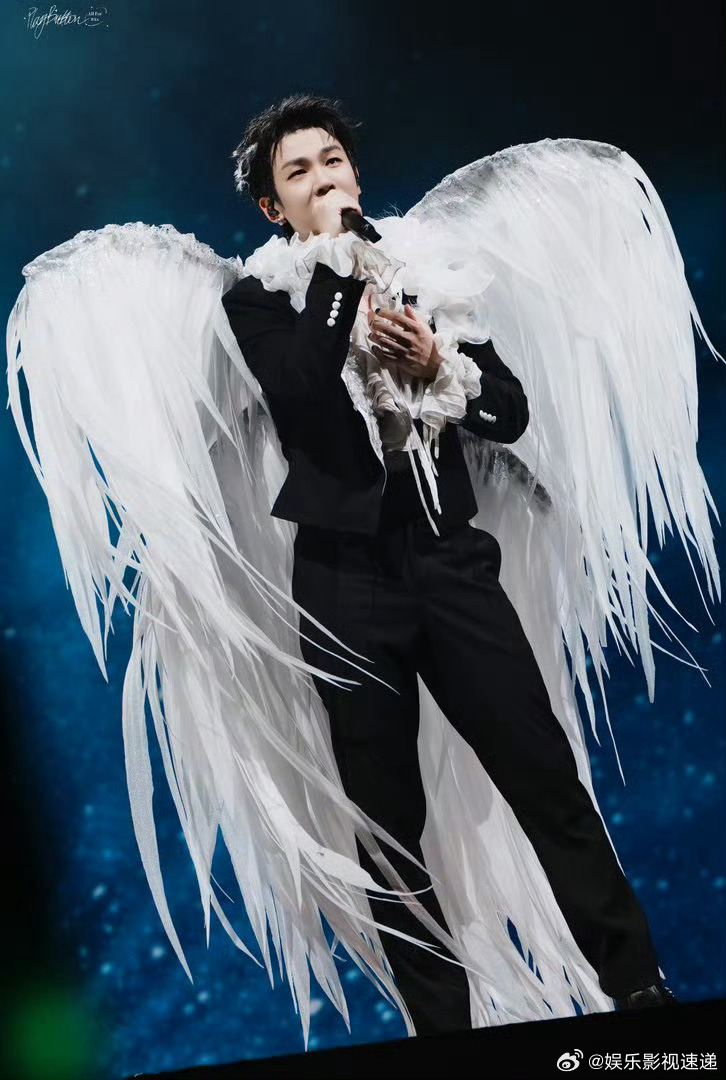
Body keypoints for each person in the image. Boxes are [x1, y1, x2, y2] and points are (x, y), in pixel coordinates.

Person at [220, 93, 677, 1036]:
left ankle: (635, 984)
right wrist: (338, 268)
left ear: (355, 170)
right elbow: (301, 391)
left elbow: (507, 410)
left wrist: (438, 365)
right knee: (388, 828)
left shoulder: (425, 271)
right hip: (345, 582)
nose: (324, 178)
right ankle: (441, 1028)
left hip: (450, 563)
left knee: (544, 774)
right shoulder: (259, 298)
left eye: (333, 160)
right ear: (273, 205)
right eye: (299, 172)